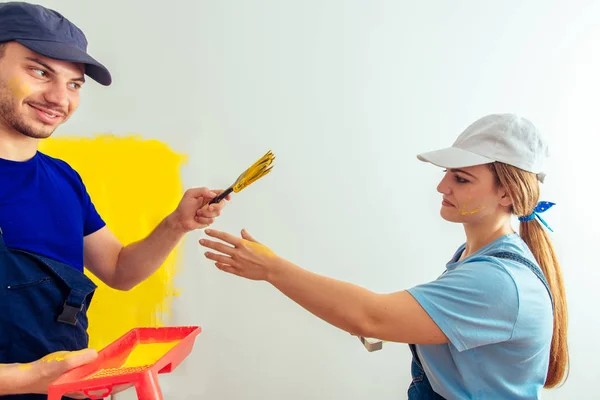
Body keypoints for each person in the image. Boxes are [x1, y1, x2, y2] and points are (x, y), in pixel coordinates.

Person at [200, 113, 569, 399]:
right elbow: (383, 318)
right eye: (446, 174)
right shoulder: (473, 257)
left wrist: (271, 269)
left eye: (461, 179)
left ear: (506, 194)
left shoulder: (500, 282)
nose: (441, 186)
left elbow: (370, 316)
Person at [0, 2, 229, 398]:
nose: (59, 97)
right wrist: (31, 380)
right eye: (39, 71)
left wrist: (177, 223)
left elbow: (120, 272)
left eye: (74, 84)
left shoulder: (63, 179)